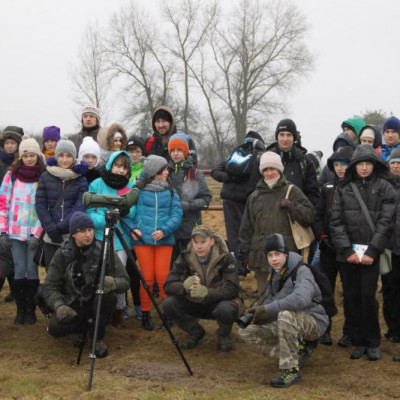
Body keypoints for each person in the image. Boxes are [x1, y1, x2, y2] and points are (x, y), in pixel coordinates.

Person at [330, 144, 396, 361]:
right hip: (347, 253)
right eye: (361, 164)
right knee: (351, 296)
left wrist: (373, 250)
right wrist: (347, 249)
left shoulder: (385, 187)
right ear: (354, 166)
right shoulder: (343, 187)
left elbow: (386, 222)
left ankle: (372, 340)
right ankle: (357, 340)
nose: (365, 168)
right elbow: (336, 220)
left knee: (368, 296)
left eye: (368, 163)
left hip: (371, 252)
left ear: (374, 165)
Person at [239, 233, 328, 388]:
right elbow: (270, 298)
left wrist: (268, 309)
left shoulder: (302, 271)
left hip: (313, 321)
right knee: (246, 331)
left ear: (285, 254)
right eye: (270, 255)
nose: (274, 259)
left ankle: (291, 369)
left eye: (277, 254)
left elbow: (301, 299)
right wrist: (254, 312)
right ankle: (296, 354)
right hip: (288, 320)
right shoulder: (274, 272)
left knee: (285, 316)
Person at [42, 211, 130, 358]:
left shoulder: (105, 250)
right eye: (83, 231)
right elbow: (50, 286)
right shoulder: (62, 253)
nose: (88, 234)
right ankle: (81, 330)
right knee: (55, 328)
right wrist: (59, 306)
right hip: (73, 303)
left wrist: (112, 283)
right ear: (73, 234)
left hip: (97, 300)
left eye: (90, 230)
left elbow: (125, 280)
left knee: (108, 299)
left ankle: (98, 338)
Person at [239, 151, 315, 295]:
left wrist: (292, 206)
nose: (269, 173)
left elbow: (310, 216)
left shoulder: (292, 191)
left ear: (279, 169)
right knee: (264, 295)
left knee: (286, 295)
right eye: (265, 170)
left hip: (287, 254)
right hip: (261, 256)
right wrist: (244, 254)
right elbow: (246, 228)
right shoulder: (254, 196)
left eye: (272, 169)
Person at [163, 225, 241, 352]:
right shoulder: (184, 257)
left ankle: (224, 335)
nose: (199, 246)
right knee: (169, 304)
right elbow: (168, 285)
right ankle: (195, 332)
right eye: (196, 242)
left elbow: (232, 289)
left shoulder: (226, 257)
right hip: (194, 302)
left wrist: (208, 294)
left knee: (227, 309)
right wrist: (185, 287)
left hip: (218, 303)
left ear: (211, 241)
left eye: (203, 242)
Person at [127, 155, 183, 331]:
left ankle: (167, 313)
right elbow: (126, 213)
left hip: (164, 241)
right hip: (143, 241)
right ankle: (145, 313)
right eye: (164, 169)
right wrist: (134, 229)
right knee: (147, 278)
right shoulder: (137, 191)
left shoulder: (171, 191)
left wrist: (164, 230)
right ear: (155, 172)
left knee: (163, 277)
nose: (168, 172)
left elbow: (177, 214)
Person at [87, 150, 136, 327]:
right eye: (117, 165)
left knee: (119, 274)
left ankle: (119, 309)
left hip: (121, 239)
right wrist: (105, 219)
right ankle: (100, 309)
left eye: (124, 167)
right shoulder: (96, 184)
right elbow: (90, 211)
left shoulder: (130, 187)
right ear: (111, 165)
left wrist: (122, 213)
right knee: (100, 273)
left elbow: (133, 211)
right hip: (100, 236)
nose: (121, 170)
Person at [0, 138, 46, 325]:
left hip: (33, 233)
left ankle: (31, 309)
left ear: (37, 156)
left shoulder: (43, 176)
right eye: (25, 155)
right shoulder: (11, 176)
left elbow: (45, 207)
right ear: (21, 156)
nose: (28, 159)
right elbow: (3, 203)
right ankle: (21, 310)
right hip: (14, 232)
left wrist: (37, 233)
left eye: (32, 155)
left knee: (31, 269)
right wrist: (2, 230)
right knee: (19, 269)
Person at [314, 146, 353, 346]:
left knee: (349, 291)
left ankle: (348, 332)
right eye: (336, 165)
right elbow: (318, 214)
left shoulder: (355, 187)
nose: (340, 168)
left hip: (348, 249)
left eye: (343, 165)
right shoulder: (327, 188)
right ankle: (325, 329)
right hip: (328, 247)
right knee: (325, 290)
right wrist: (322, 236)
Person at [211, 131, 265, 275]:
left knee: (234, 235)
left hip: (229, 200)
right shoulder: (259, 155)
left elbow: (215, 171)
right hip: (247, 200)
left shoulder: (237, 153)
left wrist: (229, 178)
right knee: (249, 234)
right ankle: (249, 263)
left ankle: (238, 267)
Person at [35, 139, 88, 267]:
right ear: (56, 156)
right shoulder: (46, 176)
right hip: (50, 235)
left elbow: (79, 207)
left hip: (72, 234)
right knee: (52, 274)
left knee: (71, 274)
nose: (64, 159)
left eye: (68, 156)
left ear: (73, 158)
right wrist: (51, 228)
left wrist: (60, 228)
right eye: (61, 155)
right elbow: (40, 205)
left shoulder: (81, 180)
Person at [168, 133, 212, 264]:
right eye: (173, 150)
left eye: (179, 150)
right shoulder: (164, 172)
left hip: (190, 227)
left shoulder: (195, 173)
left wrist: (188, 205)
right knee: (173, 264)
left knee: (192, 263)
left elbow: (206, 198)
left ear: (185, 152)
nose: (176, 154)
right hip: (171, 228)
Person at [266, 119, 319, 206]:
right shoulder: (266, 159)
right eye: (282, 135)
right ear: (277, 136)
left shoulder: (305, 162)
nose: (285, 139)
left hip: (297, 215)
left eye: (289, 135)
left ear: (294, 137)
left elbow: (313, 194)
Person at [0, 126, 24, 301]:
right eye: (6, 143)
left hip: (15, 210)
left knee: (11, 251)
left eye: (12, 143)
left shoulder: (20, 163)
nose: (9, 146)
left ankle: (15, 290)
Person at [382, 148, 400, 347]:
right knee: (388, 288)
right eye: (393, 162)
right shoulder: (383, 186)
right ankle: (392, 328)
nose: (396, 166)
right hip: (386, 248)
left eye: (399, 163)